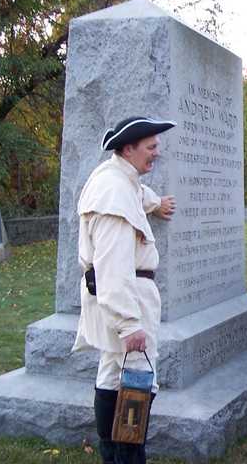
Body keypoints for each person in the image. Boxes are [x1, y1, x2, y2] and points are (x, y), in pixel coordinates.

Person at [72, 116, 177, 464]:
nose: (156, 153)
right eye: (151, 147)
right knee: (135, 383)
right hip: (127, 300)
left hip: (126, 298)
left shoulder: (118, 180)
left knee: (113, 375)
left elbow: (137, 193)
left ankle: (113, 456)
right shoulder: (114, 193)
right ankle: (127, 457)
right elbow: (113, 267)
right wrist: (129, 323)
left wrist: (155, 202)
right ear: (128, 148)